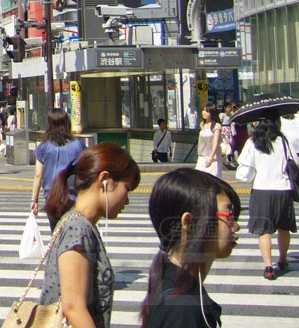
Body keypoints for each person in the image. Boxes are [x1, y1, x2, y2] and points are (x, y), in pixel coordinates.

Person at [39, 143, 141, 328]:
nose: (127, 200)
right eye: (126, 189)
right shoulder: (77, 227)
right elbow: (73, 308)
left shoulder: (78, 223)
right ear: (105, 180)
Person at [140, 169, 240, 328]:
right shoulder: (181, 310)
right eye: (229, 214)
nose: (236, 226)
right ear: (189, 223)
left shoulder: (175, 286)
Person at [235, 114, 296, 280]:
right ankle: (283, 259)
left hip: (262, 190)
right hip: (283, 189)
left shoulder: (253, 142)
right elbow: (294, 161)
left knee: (264, 230)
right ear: (276, 123)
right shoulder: (283, 141)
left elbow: (245, 173)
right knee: (284, 227)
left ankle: (268, 266)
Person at [31, 108, 87, 230]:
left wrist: (34, 200)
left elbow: (38, 175)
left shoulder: (43, 147)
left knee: (56, 232)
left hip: (51, 195)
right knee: (73, 231)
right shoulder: (78, 145)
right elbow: (85, 170)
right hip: (72, 195)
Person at [195, 104, 222, 178]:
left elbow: (215, 142)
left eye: (207, 111)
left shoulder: (216, 126)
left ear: (212, 113)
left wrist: (211, 157)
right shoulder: (202, 125)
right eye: (203, 110)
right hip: (202, 156)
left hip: (213, 158)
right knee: (199, 179)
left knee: (212, 179)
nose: (204, 113)